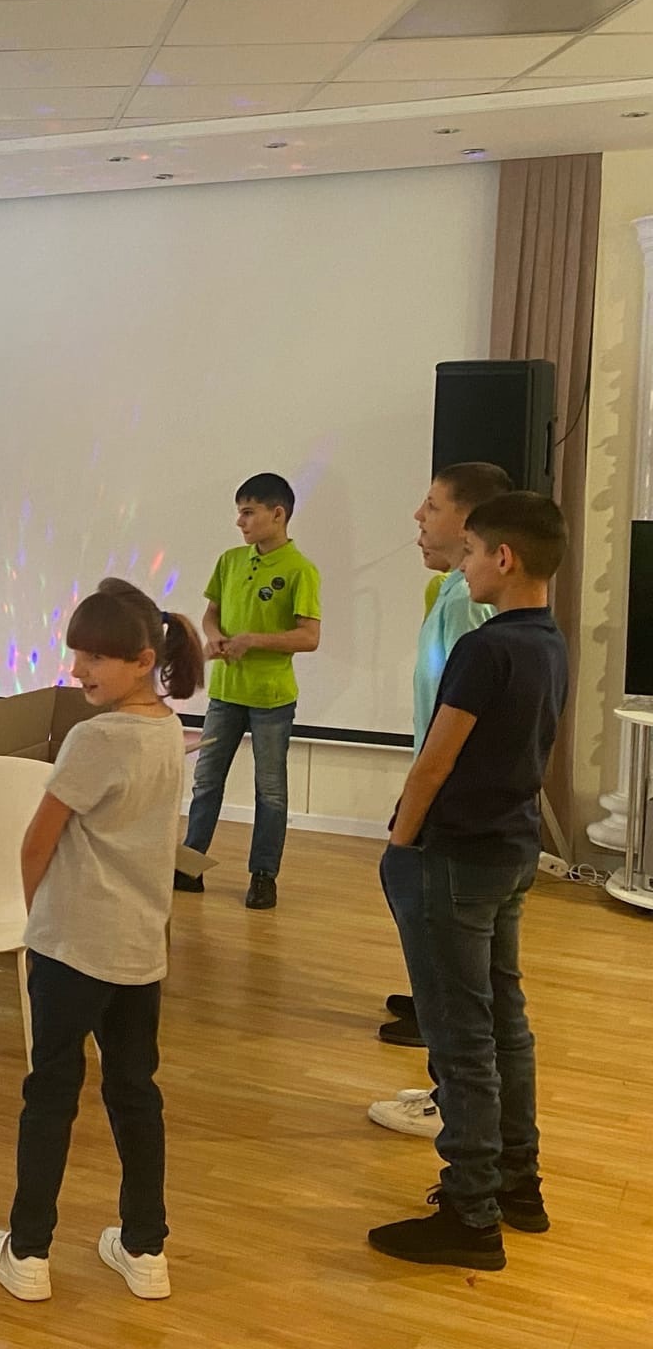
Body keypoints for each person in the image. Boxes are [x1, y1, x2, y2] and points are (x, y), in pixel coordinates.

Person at [0, 579, 201, 1305]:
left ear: (143, 661)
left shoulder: (95, 737)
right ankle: (146, 1248)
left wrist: (35, 920)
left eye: (96, 658)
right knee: (135, 1093)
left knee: (50, 1094)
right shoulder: (168, 730)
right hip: (139, 948)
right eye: (76, 653)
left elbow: (36, 842)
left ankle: (28, 1253)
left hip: (72, 948)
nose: (79, 670)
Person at [369, 491, 567, 1271]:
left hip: (455, 858)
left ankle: (470, 1212)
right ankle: (519, 1185)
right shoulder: (548, 641)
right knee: (504, 1026)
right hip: (510, 852)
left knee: (460, 1039)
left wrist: (400, 843)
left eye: (475, 552)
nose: (467, 565)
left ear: (504, 558)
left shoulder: (486, 649)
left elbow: (436, 761)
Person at [370, 462, 512, 1136]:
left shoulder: (464, 605)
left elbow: (456, 726)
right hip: (455, 804)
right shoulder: (455, 592)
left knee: (451, 974)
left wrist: (409, 822)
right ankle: (455, 1093)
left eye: (432, 506)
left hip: (447, 810)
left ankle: (451, 1102)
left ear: (470, 522)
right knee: (467, 974)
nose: (418, 519)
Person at [177, 473, 322, 909]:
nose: (240, 522)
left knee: (270, 790)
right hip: (225, 693)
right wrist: (215, 636)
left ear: (277, 514)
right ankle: (190, 865)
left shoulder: (300, 569)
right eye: (239, 512)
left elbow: (309, 636)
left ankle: (263, 876)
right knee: (206, 782)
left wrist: (254, 640)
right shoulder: (230, 561)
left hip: (271, 698)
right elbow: (211, 615)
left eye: (248, 512)